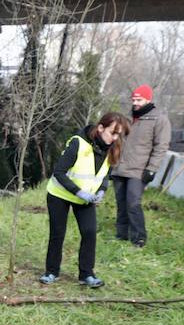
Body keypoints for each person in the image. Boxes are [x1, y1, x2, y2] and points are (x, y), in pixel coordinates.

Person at [40, 113, 131, 288]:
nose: (115, 138)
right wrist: (79, 192)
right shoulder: (78, 143)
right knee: (58, 234)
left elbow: (105, 175)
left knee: (89, 233)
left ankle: (86, 274)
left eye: (118, 134)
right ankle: (51, 272)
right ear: (101, 128)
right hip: (60, 194)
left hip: (86, 198)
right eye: (112, 133)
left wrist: (102, 191)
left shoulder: (112, 147)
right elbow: (58, 173)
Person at [112, 84, 171, 248]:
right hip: (119, 167)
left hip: (139, 170)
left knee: (133, 203)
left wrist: (152, 169)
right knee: (121, 203)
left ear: (148, 99)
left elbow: (161, 146)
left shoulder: (159, 119)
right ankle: (121, 234)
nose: (135, 103)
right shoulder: (127, 117)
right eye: (134, 99)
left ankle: (139, 238)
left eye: (139, 99)